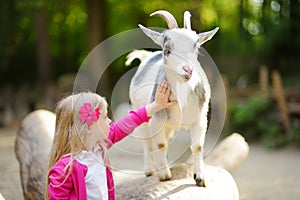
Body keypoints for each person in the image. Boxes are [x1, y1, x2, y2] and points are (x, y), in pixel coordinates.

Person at [45, 81, 176, 200]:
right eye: (105, 117)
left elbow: (125, 124)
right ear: (89, 127)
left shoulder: (99, 148)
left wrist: (156, 105)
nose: (109, 121)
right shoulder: (64, 169)